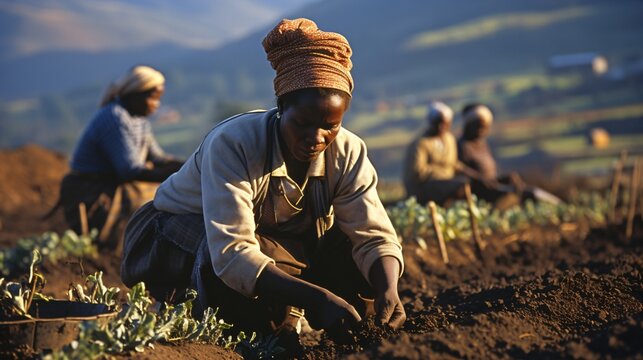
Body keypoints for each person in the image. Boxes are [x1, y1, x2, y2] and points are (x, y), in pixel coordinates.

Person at [120, 18, 406, 351]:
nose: (317, 137)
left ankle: (359, 330)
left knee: (352, 252)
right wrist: (319, 298)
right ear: (281, 108)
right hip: (173, 235)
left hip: (279, 244)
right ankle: (263, 328)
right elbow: (232, 252)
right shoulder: (235, 144)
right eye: (303, 124)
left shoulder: (348, 151)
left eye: (330, 126)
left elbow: (372, 233)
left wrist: (389, 289)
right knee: (264, 302)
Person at [54, 65, 183, 246]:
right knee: (151, 203)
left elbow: (157, 157)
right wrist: (177, 175)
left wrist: (189, 166)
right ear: (134, 95)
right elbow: (129, 170)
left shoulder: (139, 119)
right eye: (153, 98)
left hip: (113, 181)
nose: (157, 105)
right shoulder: (115, 117)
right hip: (94, 189)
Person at [457, 103, 560, 205]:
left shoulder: (482, 144)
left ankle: (559, 206)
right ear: (469, 125)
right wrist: (480, 179)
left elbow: (490, 180)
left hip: (493, 186)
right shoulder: (462, 146)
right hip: (480, 194)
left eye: (484, 127)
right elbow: (459, 170)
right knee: (531, 194)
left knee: (526, 189)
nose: (482, 131)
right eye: (478, 127)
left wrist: (506, 178)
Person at [402, 101, 470, 206]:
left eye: (445, 124)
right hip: (424, 188)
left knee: (470, 184)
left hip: (446, 182)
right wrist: (445, 174)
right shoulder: (421, 143)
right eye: (437, 123)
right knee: (460, 186)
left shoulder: (449, 140)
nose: (441, 127)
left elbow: (453, 163)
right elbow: (418, 172)